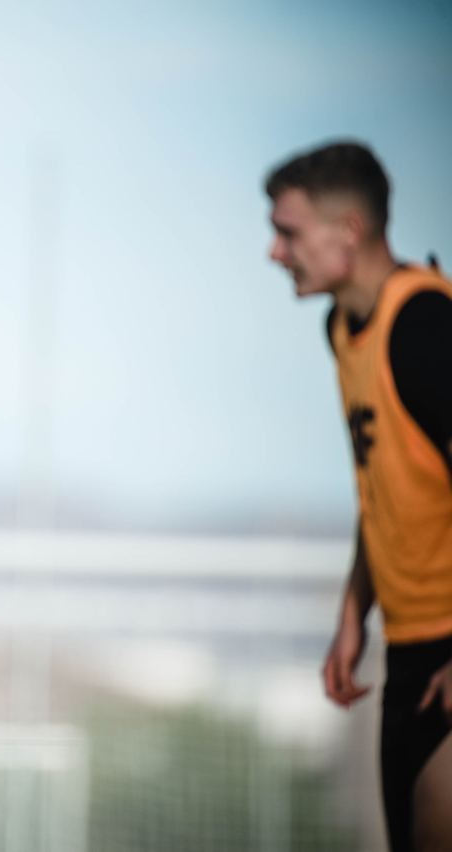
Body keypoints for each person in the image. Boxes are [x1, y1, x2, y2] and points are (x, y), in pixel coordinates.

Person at [266, 141, 452, 851]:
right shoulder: (342, 331)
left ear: (348, 230)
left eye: (288, 232)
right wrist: (354, 615)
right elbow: (386, 489)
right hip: (406, 650)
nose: (275, 252)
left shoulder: (427, 324)